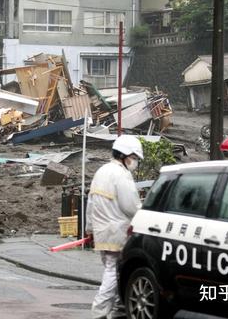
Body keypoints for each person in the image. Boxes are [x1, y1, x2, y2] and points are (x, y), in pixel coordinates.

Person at [86, 135, 143, 319]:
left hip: (102, 233)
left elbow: (90, 203)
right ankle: (99, 312)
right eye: (133, 158)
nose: (134, 162)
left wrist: (89, 229)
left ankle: (120, 309)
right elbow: (131, 206)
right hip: (118, 233)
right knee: (113, 272)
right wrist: (145, 218)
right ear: (124, 155)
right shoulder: (121, 175)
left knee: (117, 271)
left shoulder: (102, 171)